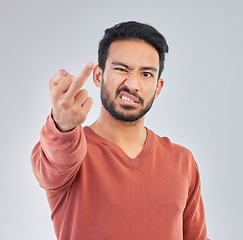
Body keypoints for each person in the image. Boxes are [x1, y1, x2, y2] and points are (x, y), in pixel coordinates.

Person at [31, 21, 209, 240]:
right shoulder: (72, 154)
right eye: (121, 69)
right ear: (98, 76)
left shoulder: (182, 161)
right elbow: (56, 158)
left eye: (146, 74)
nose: (133, 84)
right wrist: (62, 124)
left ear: (158, 88)